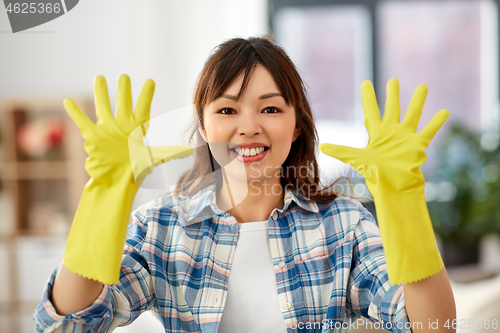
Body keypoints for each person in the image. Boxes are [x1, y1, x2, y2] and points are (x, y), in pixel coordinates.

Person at [33, 36, 456, 333]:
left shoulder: (342, 225)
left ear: (295, 127)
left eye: (270, 108)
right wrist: (103, 195)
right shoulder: (161, 227)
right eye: (227, 110)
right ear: (203, 125)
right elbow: (67, 325)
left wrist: (404, 200)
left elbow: (432, 328)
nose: (249, 127)